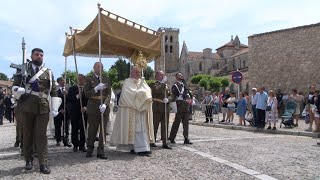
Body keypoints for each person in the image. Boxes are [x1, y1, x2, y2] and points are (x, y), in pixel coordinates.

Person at [12, 48, 61, 174]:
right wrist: (18, 90)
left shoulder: (48, 72)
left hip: (43, 106)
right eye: (36, 54)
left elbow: (54, 89)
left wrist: (55, 107)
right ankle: (28, 159)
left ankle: (43, 163)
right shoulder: (23, 69)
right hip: (26, 105)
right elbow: (14, 87)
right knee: (27, 134)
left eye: (41, 55)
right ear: (32, 56)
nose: (39, 56)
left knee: (41, 136)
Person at [111, 66, 155, 156]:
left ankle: (143, 147)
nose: (138, 74)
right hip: (131, 110)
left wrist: (144, 96)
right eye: (136, 72)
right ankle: (139, 148)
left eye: (139, 72)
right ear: (132, 73)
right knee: (136, 129)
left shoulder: (143, 81)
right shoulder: (127, 82)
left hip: (142, 110)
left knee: (143, 129)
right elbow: (127, 94)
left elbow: (148, 91)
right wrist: (140, 94)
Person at [84, 62, 111, 159]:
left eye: (102, 67)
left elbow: (108, 94)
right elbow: (86, 93)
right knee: (92, 130)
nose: (101, 69)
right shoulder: (88, 78)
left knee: (103, 131)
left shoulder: (106, 79)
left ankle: (101, 150)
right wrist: (95, 88)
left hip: (103, 107)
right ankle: (90, 149)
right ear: (94, 68)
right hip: (93, 106)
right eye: (98, 67)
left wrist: (105, 104)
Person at [149, 70, 172, 149]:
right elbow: (157, 91)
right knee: (155, 125)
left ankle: (165, 142)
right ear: (157, 76)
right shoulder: (153, 84)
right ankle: (152, 141)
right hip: (157, 107)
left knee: (165, 126)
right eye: (161, 75)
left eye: (163, 75)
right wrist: (162, 83)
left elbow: (171, 95)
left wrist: (168, 99)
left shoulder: (166, 85)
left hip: (165, 108)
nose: (163, 76)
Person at [168, 72, 193, 145]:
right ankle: (172, 137)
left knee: (186, 123)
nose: (181, 76)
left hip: (186, 104)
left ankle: (186, 138)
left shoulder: (185, 84)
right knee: (177, 122)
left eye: (181, 75)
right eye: (179, 75)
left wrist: (190, 99)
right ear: (176, 77)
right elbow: (175, 94)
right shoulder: (175, 85)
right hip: (180, 104)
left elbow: (189, 93)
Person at [67, 74, 88, 152]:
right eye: (78, 79)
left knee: (83, 129)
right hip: (75, 112)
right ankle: (75, 144)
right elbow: (69, 98)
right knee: (75, 129)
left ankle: (82, 145)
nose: (80, 80)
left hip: (84, 112)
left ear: (84, 80)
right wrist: (77, 96)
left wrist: (85, 107)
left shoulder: (87, 89)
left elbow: (89, 100)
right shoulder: (72, 89)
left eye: (82, 79)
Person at [54, 77, 72, 147]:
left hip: (67, 111)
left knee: (66, 127)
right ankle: (58, 140)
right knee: (57, 126)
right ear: (58, 82)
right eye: (61, 81)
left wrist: (67, 94)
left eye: (64, 80)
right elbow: (54, 101)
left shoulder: (68, 90)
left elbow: (71, 100)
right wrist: (60, 110)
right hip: (58, 112)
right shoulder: (55, 91)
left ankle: (66, 141)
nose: (63, 82)